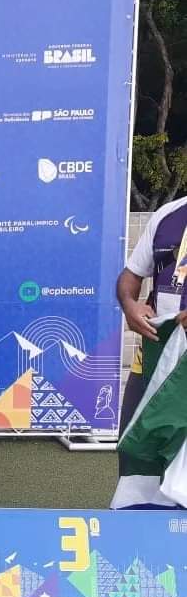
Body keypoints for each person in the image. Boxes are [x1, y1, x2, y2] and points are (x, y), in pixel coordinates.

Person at [114, 194, 187, 506]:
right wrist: (131, 306)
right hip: (158, 354)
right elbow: (130, 277)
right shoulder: (169, 214)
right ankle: (140, 525)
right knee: (138, 443)